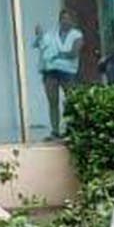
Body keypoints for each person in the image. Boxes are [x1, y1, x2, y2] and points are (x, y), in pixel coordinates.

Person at [32, 9, 84, 139]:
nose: (65, 22)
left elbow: (74, 53)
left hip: (68, 72)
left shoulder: (77, 35)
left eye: (68, 19)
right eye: (63, 19)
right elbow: (40, 43)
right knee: (52, 101)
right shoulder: (52, 34)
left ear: (73, 21)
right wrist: (39, 34)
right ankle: (55, 130)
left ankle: (72, 128)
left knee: (71, 101)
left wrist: (56, 55)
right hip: (50, 71)